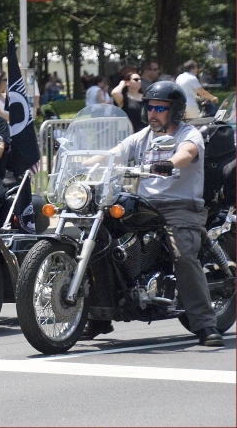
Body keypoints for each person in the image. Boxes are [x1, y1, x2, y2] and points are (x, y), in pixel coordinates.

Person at [83, 82, 224, 347]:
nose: (153, 113)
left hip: (180, 206)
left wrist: (169, 163)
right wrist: (86, 162)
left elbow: (188, 152)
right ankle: (100, 315)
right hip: (145, 204)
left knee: (182, 254)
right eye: (150, 107)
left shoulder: (187, 133)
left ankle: (205, 323)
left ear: (175, 111)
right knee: (100, 239)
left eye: (160, 108)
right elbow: (116, 152)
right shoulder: (143, 136)